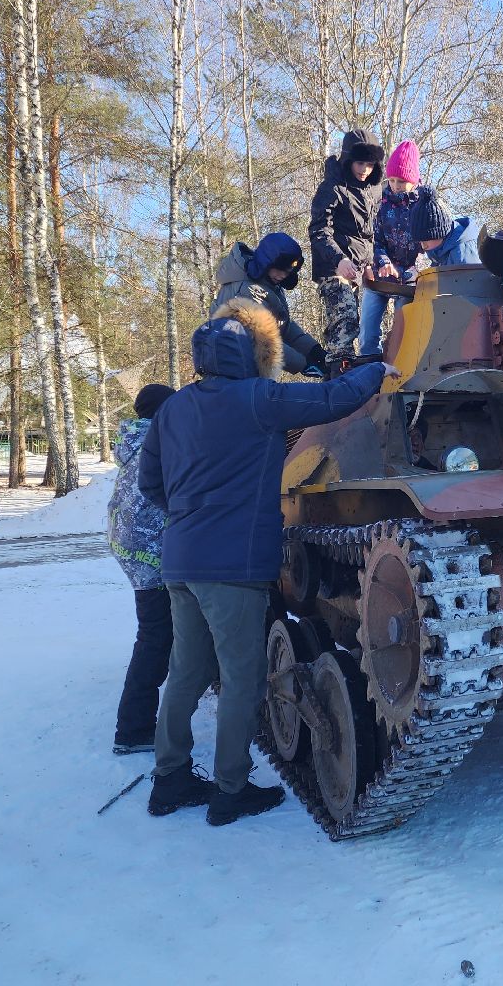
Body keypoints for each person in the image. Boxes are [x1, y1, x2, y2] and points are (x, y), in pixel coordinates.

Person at [139, 300, 392, 827]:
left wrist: (192, 517)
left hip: (180, 560)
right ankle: (231, 789)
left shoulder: (173, 410)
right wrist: (375, 370)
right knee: (244, 679)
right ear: (250, 355)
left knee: (186, 672)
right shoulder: (257, 398)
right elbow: (330, 399)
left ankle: (170, 779)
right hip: (231, 564)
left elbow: (152, 486)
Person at [108, 384, 177, 755]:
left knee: (158, 634)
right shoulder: (163, 441)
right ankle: (133, 730)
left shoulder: (136, 440)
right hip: (154, 554)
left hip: (136, 551)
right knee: (155, 639)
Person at [309, 129, 386, 359]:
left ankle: (354, 374)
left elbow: (373, 234)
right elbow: (318, 230)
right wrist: (339, 259)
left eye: (370, 164)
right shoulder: (332, 187)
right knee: (345, 322)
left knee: (368, 325)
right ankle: (337, 379)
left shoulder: (375, 190)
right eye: (360, 163)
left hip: (362, 269)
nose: (364, 170)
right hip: (335, 268)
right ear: (348, 160)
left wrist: (374, 261)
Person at [211, 234, 326, 375]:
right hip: (231, 372)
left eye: (288, 272)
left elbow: (283, 326)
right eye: (279, 269)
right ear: (266, 263)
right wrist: (303, 365)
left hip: (248, 369)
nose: (283, 275)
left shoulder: (268, 284)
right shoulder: (247, 291)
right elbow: (261, 338)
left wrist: (313, 350)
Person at [362, 140, 426, 357]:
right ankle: (368, 374)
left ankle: (399, 374)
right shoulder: (379, 201)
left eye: (402, 181)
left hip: (409, 279)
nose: (396, 185)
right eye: (392, 180)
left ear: (414, 181)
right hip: (380, 275)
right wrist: (383, 262)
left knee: (403, 332)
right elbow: (373, 240)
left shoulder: (424, 205)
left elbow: (430, 245)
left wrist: (418, 270)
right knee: (367, 334)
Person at [410, 186, 479, 266]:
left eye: (426, 240)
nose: (423, 246)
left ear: (440, 233)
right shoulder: (440, 248)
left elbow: (471, 277)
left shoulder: (462, 253)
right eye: (420, 241)